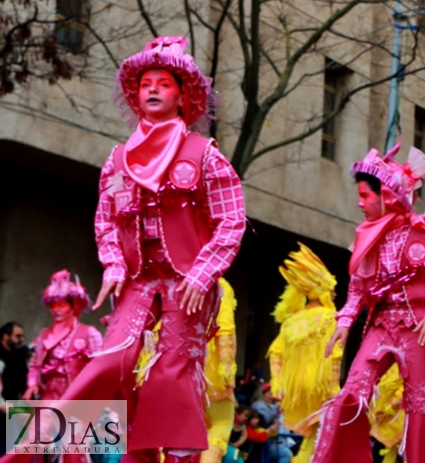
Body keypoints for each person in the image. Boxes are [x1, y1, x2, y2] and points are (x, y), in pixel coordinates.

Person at [3, 36, 247, 463]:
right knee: (109, 364)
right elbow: (106, 222)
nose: (152, 89)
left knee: (171, 378)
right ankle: (25, 448)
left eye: (163, 83)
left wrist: (204, 272)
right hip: (138, 282)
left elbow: (231, 219)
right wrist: (114, 265)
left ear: (182, 95)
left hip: (186, 286)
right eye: (145, 83)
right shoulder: (119, 160)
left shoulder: (205, 155)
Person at [313, 143, 425, 462]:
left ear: (390, 196)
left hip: (421, 331)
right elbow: (357, 289)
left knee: (420, 409)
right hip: (381, 327)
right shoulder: (365, 238)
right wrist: (345, 322)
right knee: (351, 396)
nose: (360, 203)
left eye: (367, 196)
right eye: (360, 195)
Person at [268, 244, 343, 463]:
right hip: (319, 388)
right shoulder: (332, 317)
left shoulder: (292, 320)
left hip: (295, 390)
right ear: (322, 290)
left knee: (312, 440)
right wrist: (334, 390)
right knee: (321, 440)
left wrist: (277, 384)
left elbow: (275, 353)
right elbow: (335, 355)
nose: (335, 294)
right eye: (331, 289)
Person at [24, 271, 103, 401]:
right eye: (53, 306)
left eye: (62, 305)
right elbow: (35, 365)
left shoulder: (89, 333)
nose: (56, 310)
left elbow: (99, 366)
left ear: (73, 308)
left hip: (78, 396)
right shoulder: (45, 334)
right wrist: (32, 384)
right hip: (50, 393)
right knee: (34, 420)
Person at [0, 322, 28, 401]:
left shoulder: (19, 354)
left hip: (12, 404)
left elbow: (24, 382)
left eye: (22, 336)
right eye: (18, 336)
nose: (22, 339)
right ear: (6, 336)